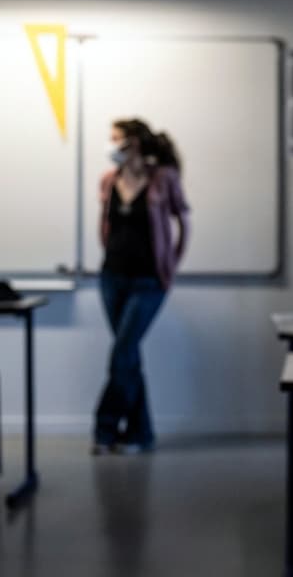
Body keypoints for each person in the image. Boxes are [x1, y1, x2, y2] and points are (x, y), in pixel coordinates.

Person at [92, 119, 189, 454]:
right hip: (112, 277)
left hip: (149, 281)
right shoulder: (109, 180)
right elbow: (106, 226)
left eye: (115, 138)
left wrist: (171, 263)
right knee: (128, 355)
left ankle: (104, 429)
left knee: (122, 352)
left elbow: (183, 221)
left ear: (133, 143)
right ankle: (140, 433)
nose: (110, 145)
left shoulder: (163, 179)